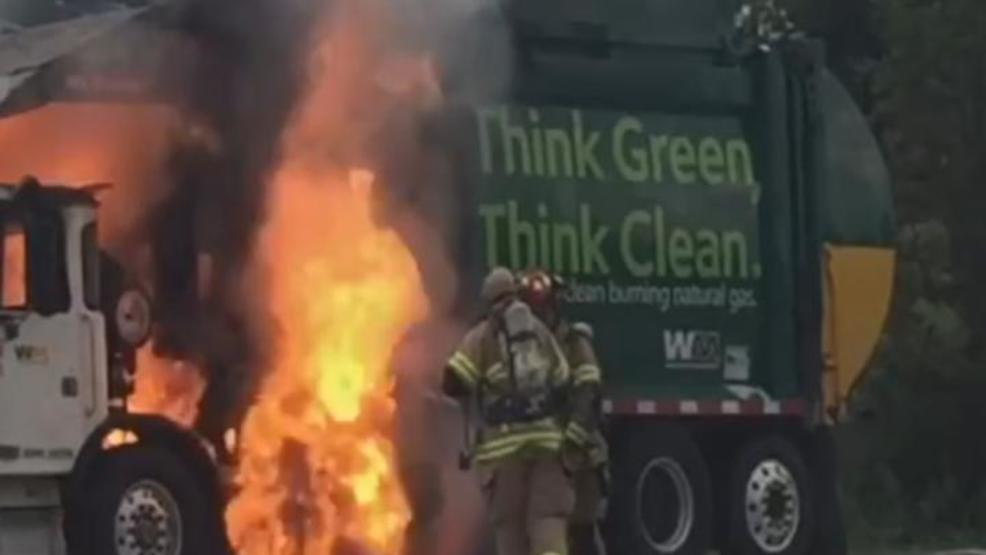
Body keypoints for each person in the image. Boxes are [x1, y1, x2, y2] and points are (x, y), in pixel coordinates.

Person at [443, 267, 575, 555]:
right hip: (547, 446)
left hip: (503, 454)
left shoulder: (482, 337)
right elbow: (563, 380)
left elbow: (453, 382)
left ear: (489, 300)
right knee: (547, 520)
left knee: (510, 528)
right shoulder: (539, 331)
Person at [518, 270, 608, 555]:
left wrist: (572, 441)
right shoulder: (520, 350)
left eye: (541, 308)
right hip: (542, 458)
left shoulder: (573, 343)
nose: (536, 316)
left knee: (581, 531)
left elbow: (589, 391)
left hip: (579, 458)